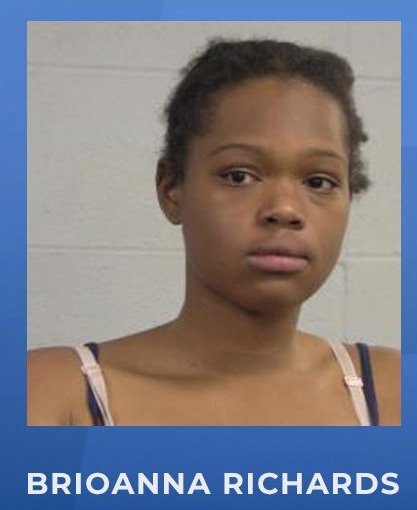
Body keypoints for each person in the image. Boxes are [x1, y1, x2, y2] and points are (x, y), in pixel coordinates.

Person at [27, 38, 400, 426]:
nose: (285, 209)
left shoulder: (392, 393)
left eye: (318, 181)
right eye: (239, 176)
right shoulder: (55, 394)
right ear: (171, 189)